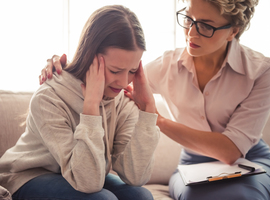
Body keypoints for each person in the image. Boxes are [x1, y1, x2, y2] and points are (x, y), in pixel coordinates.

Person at [41, 0, 270, 199]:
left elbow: (231, 150)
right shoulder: (167, 66)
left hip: (251, 160)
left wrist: (156, 120)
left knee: (244, 195)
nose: (192, 32)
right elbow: (111, 74)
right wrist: (66, 67)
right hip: (194, 164)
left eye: (206, 26)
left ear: (233, 31)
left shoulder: (260, 72)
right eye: (189, 19)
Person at [0, 5, 160, 200]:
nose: (124, 81)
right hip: (29, 176)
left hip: (84, 175)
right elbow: (88, 183)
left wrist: (147, 111)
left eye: (133, 71)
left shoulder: (121, 99)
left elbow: (136, 177)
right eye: (116, 70)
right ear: (90, 57)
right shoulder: (49, 97)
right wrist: (91, 107)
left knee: (141, 196)